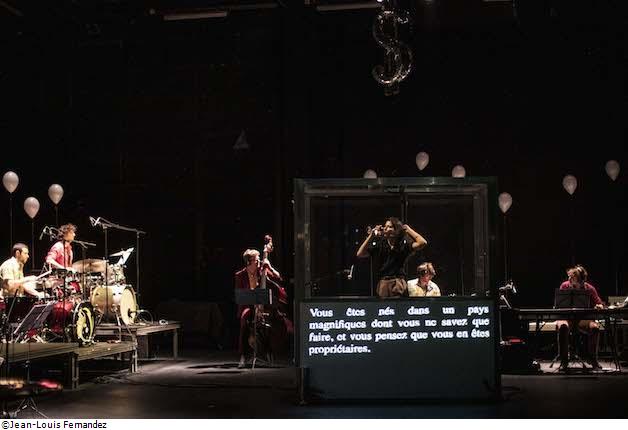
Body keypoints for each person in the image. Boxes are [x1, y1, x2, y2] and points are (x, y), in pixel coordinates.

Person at [234, 244, 290, 368]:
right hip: (248, 305)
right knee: (244, 320)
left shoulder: (262, 270)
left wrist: (269, 267)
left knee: (268, 326)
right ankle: (243, 356)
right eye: (256, 260)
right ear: (249, 262)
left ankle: (269, 353)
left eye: (259, 259)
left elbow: (279, 277)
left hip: (264, 305)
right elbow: (240, 295)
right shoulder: (240, 275)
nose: (259, 261)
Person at [356, 217, 427, 297]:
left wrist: (408, 229)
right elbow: (360, 253)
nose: (385, 228)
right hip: (384, 283)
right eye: (385, 226)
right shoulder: (380, 245)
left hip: (398, 282)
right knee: (384, 304)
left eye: (389, 227)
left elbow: (422, 242)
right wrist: (371, 236)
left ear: (396, 231)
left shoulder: (403, 245)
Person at [555, 265, 604, 370]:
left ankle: (593, 359)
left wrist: (599, 306)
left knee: (595, 328)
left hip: (582, 319)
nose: (569, 279)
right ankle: (564, 361)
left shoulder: (589, 288)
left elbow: (599, 303)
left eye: (573, 277)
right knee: (563, 327)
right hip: (566, 318)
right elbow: (559, 304)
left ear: (581, 279)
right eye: (569, 276)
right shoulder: (564, 286)